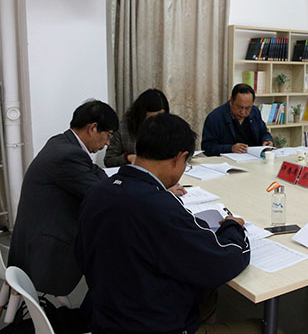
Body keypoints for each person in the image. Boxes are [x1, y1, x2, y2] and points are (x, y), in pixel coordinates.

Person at [75, 113, 259, 333]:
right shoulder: (160, 207)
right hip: (151, 324)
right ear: (178, 158)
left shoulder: (98, 191)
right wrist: (233, 226)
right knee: (262, 327)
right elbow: (225, 260)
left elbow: (81, 254)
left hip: (106, 316)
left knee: (207, 296)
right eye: (186, 164)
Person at [8, 100, 119, 296]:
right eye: (108, 135)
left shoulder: (61, 142)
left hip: (29, 242)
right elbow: (101, 195)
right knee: (112, 248)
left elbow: (96, 172)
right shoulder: (68, 155)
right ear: (93, 128)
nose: (108, 143)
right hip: (45, 251)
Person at [202, 83, 273, 156]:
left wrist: (267, 140)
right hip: (227, 160)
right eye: (239, 107)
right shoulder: (215, 118)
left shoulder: (255, 112)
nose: (243, 112)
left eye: (247, 108)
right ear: (231, 101)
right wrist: (231, 148)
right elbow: (207, 147)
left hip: (254, 157)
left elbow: (264, 132)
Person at [104, 88, 169, 167]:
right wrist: (127, 158)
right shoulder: (123, 129)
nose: (156, 122)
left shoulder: (169, 128)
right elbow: (109, 160)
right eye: (150, 118)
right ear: (141, 115)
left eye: (160, 117)